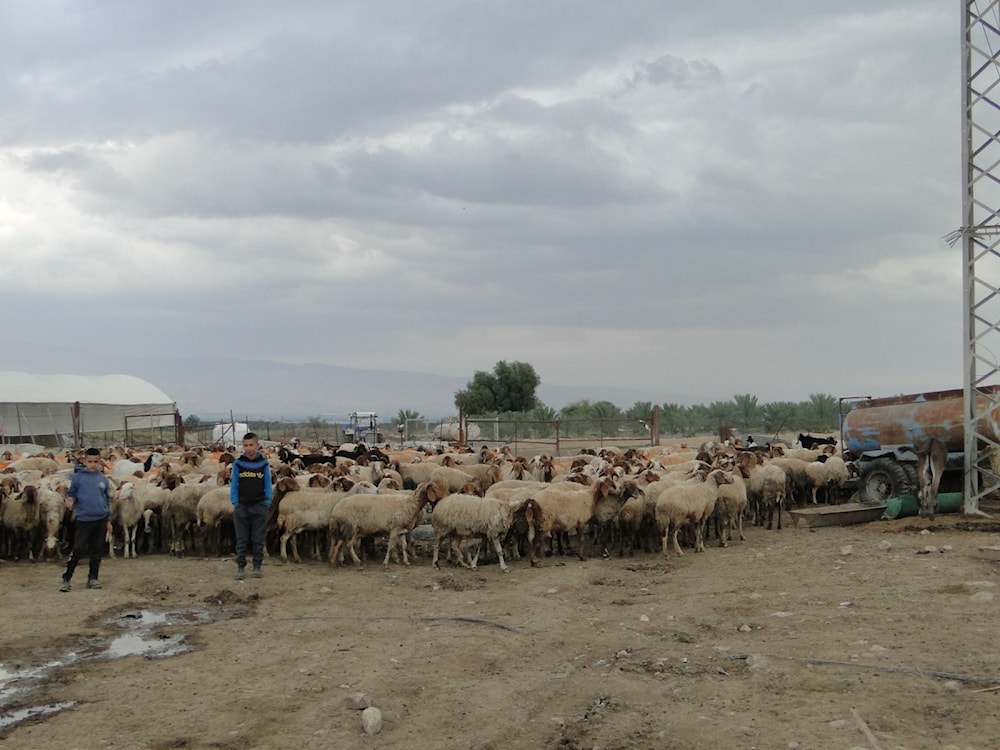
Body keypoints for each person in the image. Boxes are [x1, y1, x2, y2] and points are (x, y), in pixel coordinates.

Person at [60, 447, 114, 592]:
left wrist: (108, 520)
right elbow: (71, 493)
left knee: (97, 550)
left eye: (96, 461)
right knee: (78, 548)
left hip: (100, 519)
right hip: (84, 518)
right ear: (84, 461)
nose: (92, 464)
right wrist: (69, 500)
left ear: (100, 462)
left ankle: (93, 578)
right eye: (90, 461)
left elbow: (106, 500)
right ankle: (66, 578)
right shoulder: (78, 477)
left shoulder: (102, 479)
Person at [230, 432, 272, 580]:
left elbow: (267, 482)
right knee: (241, 539)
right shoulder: (238, 463)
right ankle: (240, 566)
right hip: (242, 506)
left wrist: (267, 501)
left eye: (251, 445)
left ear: (258, 445)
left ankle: (257, 566)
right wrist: (235, 502)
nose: (248, 448)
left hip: (259, 505)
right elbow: (234, 484)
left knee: (258, 538)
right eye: (245, 445)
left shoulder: (263, 463)